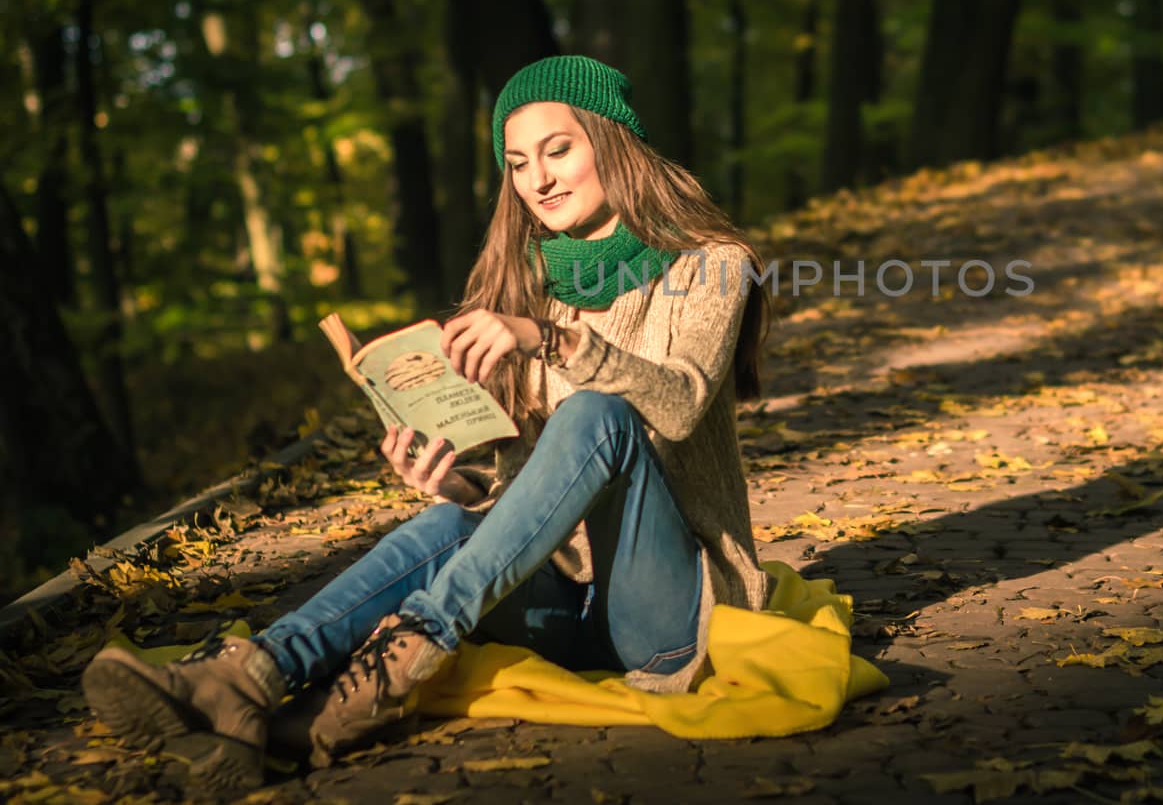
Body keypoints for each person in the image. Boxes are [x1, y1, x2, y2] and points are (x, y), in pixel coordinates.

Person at [81, 55, 774, 796]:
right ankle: (252, 676)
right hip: (567, 612)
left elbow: (680, 403)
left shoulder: (711, 265)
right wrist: (458, 479)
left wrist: (554, 340)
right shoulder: (527, 281)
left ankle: (408, 652)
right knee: (447, 523)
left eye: (558, 149)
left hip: (670, 613)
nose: (538, 178)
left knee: (597, 412)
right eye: (517, 163)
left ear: (612, 141)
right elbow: (536, 481)